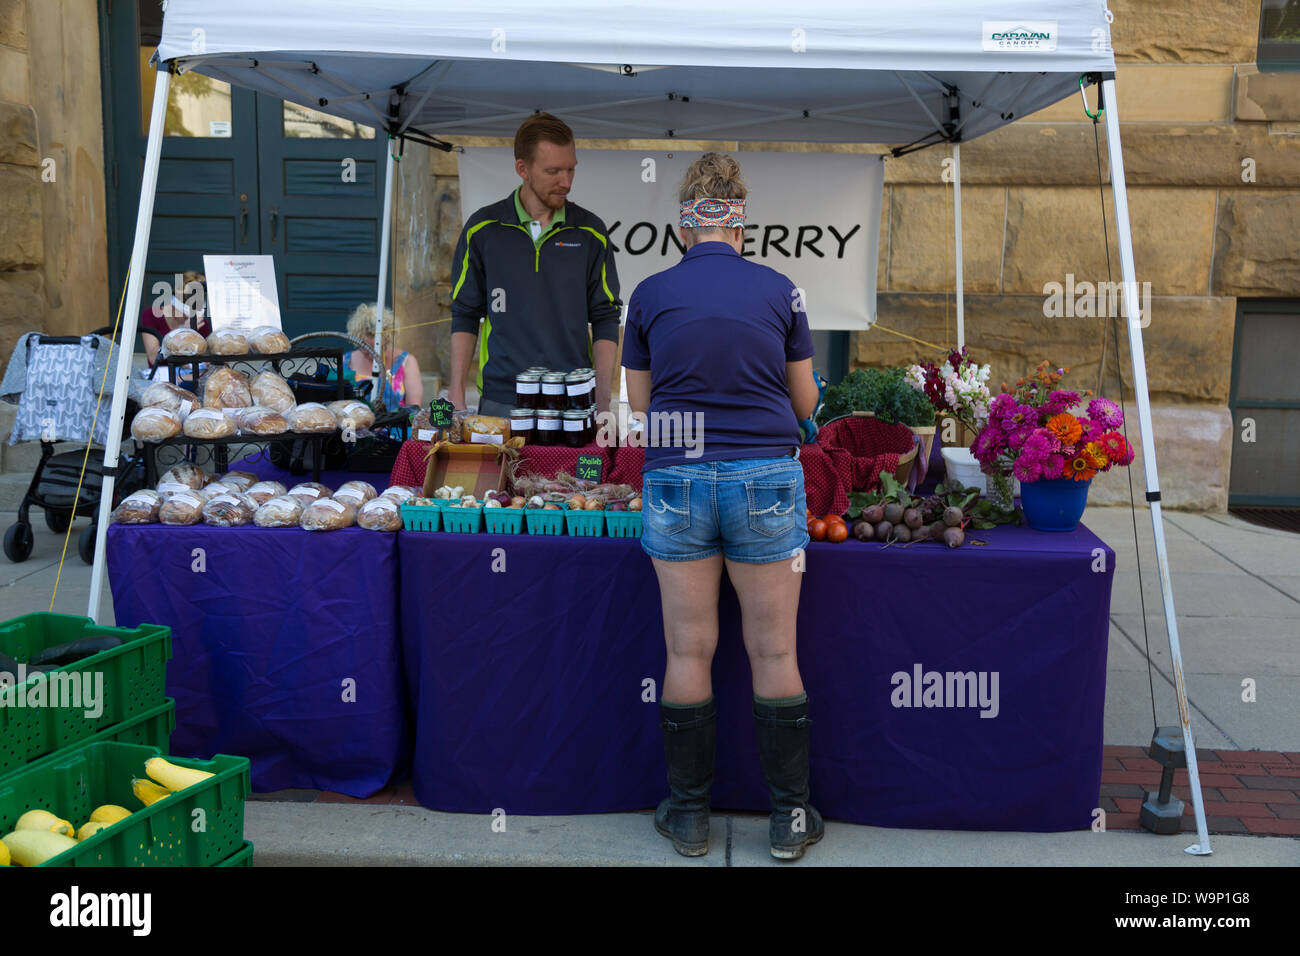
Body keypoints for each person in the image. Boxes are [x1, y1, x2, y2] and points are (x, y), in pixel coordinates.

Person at [621, 153, 823, 861]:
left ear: (684, 224)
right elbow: (805, 406)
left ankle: (688, 818)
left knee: (687, 648)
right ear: (740, 221)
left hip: (677, 477)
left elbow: (643, 407)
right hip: (765, 476)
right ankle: (789, 820)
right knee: (773, 649)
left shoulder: (648, 293)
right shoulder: (780, 290)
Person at [448, 113, 621, 418]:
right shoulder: (483, 229)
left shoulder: (591, 231)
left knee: (569, 470)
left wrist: (604, 402)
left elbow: (606, 318)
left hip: (574, 401)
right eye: (553, 171)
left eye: (571, 170)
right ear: (522, 168)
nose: (565, 182)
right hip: (501, 398)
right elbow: (464, 313)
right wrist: (456, 395)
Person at [341, 303, 425, 410]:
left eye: (377, 349)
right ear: (357, 340)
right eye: (365, 348)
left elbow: (413, 407)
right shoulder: (345, 362)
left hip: (394, 425)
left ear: (387, 341)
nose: (372, 354)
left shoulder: (407, 362)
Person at [140, 270, 210, 370]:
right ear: (174, 303)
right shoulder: (151, 315)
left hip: (191, 376)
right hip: (162, 374)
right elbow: (153, 357)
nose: (188, 318)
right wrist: (183, 333)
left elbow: (205, 361)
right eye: (185, 312)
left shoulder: (200, 323)